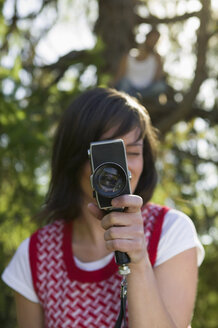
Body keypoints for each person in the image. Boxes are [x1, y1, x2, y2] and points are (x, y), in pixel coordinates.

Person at [2, 87, 204, 328]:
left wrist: (138, 261)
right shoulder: (34, 256)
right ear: (74, 157)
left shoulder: (171, 232)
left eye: (133, 152)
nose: (124, 167)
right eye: (109, 154)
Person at [113, 28, 168, 99]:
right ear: (147, 37)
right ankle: (133, 97)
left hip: (146, 89)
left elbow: (157, 78)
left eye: (156, 40)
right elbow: (120, 75)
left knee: (161, 87)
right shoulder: (129, 56)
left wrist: (159, 63)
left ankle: (133, 97)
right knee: (124, 82)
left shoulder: (156, 58)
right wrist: (112, 84)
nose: (153, 42)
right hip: (129, 87)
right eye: (152, 38)